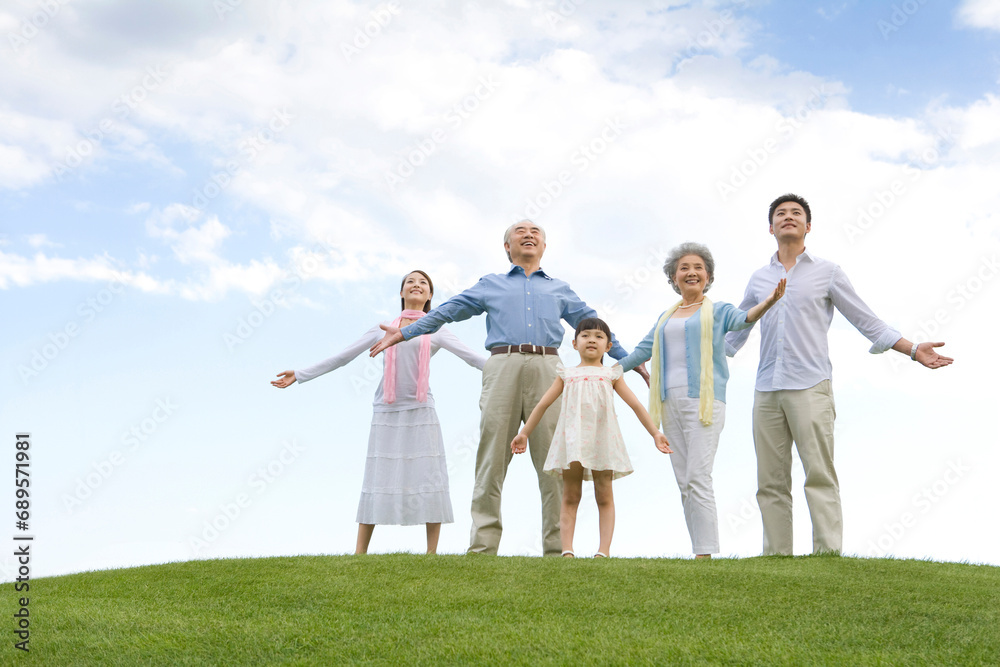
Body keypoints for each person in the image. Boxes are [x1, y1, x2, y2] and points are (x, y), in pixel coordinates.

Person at [370, 221, 644, 556]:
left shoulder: (560, 289)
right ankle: (483, 548)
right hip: (502, 364)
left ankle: (558, 549)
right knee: (491, 458)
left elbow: (594, 324)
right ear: (507, 246)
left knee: (555, 459)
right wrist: (405, 332)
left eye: (535, 232)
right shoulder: (491, 284)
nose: (528, 234)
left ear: (544, 246)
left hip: (549, 368)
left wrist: (628, 359)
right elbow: (448, 310)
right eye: (520, 231)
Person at [726, 194, 953, 556]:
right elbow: (736, 330)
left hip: (810, 386)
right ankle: (775, 559)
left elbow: (866, 319)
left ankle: (827, 556)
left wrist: (912, 349)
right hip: (766, 388)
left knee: (819, 474)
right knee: (770, 480)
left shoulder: (827, 272)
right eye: (780, 214)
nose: (788, 217)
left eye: (796, 213)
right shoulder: (759, 278)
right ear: (770, 228)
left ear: (808, 226)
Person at [272, 270, 485, 555]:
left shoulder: (437, 329)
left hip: (421, 410)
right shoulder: (383, 328)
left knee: (428, 475)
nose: (417, 285)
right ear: (401, 292)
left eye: (423, 283)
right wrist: (300, 374)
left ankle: (431, 554)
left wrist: (510, 370)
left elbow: (472, 358)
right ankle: (360, 553)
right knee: (377, 476)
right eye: (410, 282)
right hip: (386, 410)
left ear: (430, 295)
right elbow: (343, 357)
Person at [617, 243, 785, 559]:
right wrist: (607, 372)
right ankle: (699, 550)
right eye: (684, 268)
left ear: (708, 276)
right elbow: (641, 351)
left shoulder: (718, 311)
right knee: (684, 480)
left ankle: (705, 553)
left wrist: (768, 302)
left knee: (697, 476)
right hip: (669, 402)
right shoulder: (665, 317)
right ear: (674, 277)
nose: (691, 272)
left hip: (704, 402)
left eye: (698, 267)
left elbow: (743, 319)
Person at [511, 318, 672, 558]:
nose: (592, 340)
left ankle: (603, 550)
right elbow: (543, 404)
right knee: (570, 494)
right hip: (573, 441)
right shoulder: (566, 374)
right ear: (575, 343)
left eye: (599, 336)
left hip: (603, 439)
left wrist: (656, 433)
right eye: (585, 335)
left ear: (608, 346)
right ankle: (567, 550)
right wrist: (524, 433)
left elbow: (636, 405)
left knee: (604, 493)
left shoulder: (612, 374)